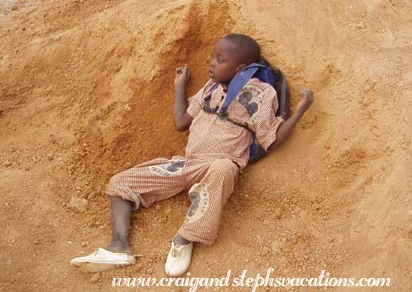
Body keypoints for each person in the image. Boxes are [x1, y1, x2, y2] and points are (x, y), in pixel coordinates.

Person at [70, 34, 314, 275]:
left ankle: (184, 238)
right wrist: (179, 87)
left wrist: (300, 110)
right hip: (187, 165)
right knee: (120, 182)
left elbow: (270, 141)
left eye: (220, 59)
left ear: (240, 68)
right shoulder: (211, 87)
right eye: (213, 57)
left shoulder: (260, 94)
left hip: (217, 167)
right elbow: (181, 122)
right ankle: (119, 246)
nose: (212, 63)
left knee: (224, 168)